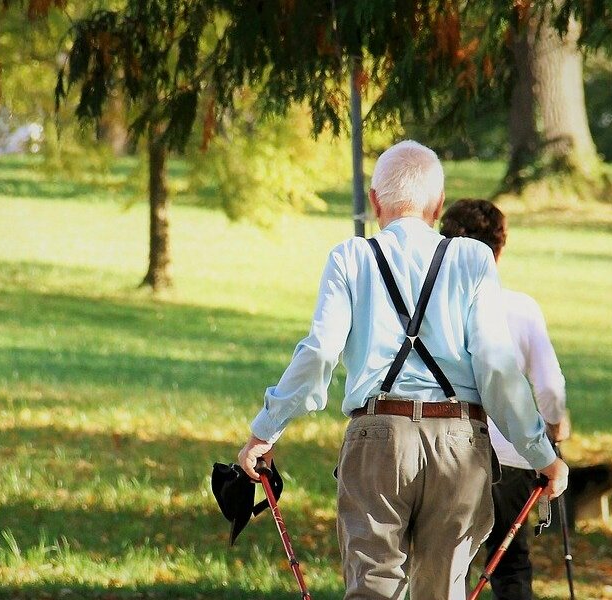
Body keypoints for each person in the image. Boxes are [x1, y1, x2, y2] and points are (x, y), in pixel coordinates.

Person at [237, 141, 570, 600]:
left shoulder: (349, 258)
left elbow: (318, 353)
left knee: (372, 589)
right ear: (437, 205)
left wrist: (265, 432)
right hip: (458, 442)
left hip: (377, 437)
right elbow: (497, 368)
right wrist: (541, 454)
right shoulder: (472, 260)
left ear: (375, 202)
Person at [439, 199, 569, 600]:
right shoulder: (521, 308)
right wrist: (555, 424)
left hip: (446, 449)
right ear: (501, 246)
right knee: (510, 562)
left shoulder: (436, 308)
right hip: (511, 454)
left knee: (446, 561)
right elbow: (548, 386)